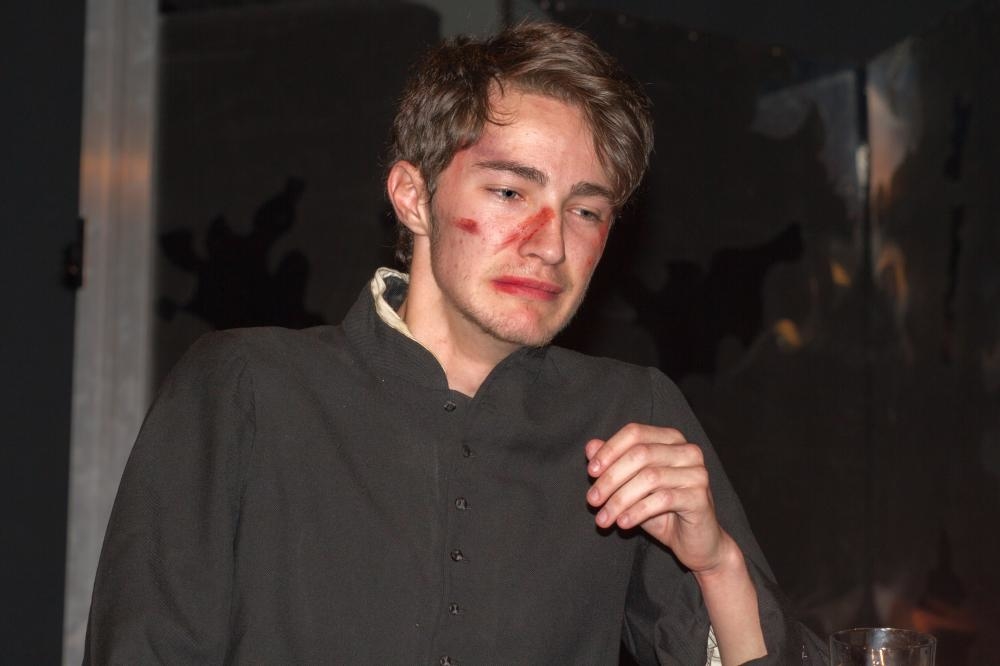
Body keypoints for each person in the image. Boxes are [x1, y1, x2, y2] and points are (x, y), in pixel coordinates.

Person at [85, 22, 826, 665]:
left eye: (585, 211)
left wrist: (717, 563)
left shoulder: (631, 414)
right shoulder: (247, 388)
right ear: (414, 197)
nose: (551, 245)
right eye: (510, 192)